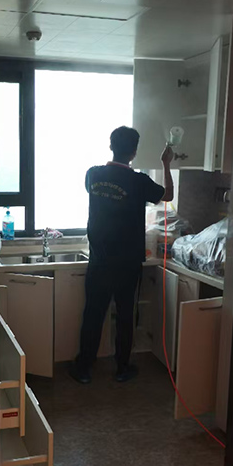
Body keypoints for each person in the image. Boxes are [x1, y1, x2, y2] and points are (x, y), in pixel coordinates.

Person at [70, 126, 174, 384]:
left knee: (93, 313)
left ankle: (84, 369)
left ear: (111, 146)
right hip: (128, 262)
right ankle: (122, 368)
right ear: (134, 152)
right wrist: (166, 163)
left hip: (100, 260)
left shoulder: (93, 174)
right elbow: (168, 195)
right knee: (126, 315)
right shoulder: (139, 181)